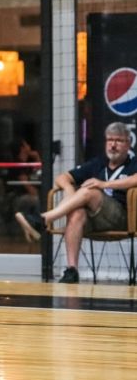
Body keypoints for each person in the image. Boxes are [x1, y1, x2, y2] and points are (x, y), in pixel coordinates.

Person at [16, 122, 137, 284]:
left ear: (128, 143)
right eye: (110, 140)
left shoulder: (133, 162)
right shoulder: (98, 162)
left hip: (122, 218)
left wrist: (104, 184)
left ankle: (43, 219)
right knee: (76, 212)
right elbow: (62, 177)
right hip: (95, 219)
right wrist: (68, 189)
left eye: (119, 140)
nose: (113, 145)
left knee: (89, 191)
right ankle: (72, 270)